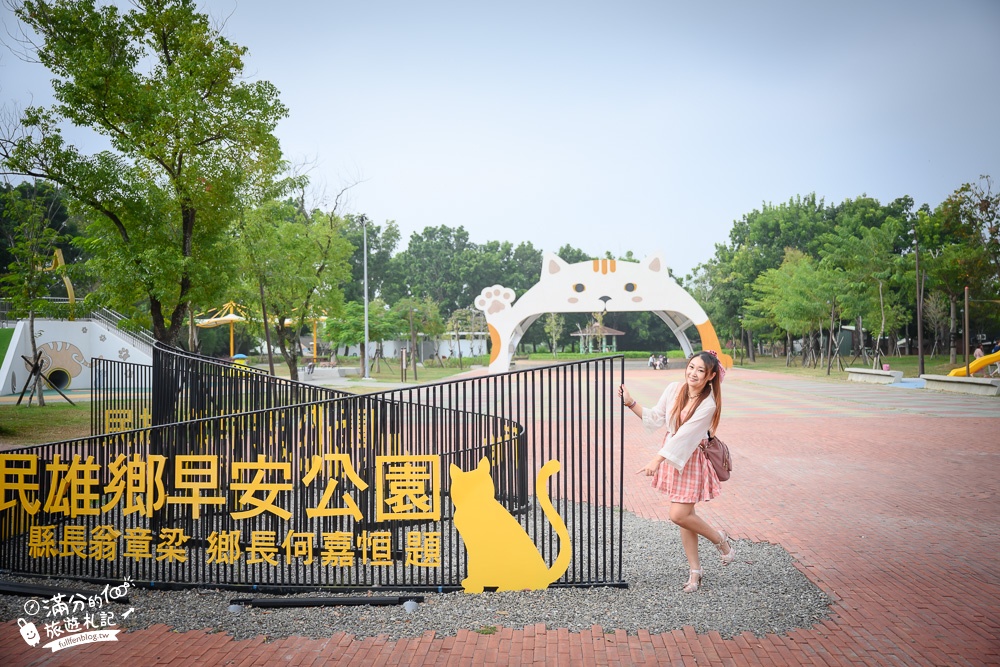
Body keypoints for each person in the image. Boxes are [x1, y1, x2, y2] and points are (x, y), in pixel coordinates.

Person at [619, 350, 735, 593]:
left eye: (700, 370)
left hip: (690, 459)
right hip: (673, 455)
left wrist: (656, 460)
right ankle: (695, 572)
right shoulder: (674, 389)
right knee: (685, 518)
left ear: (711, 376)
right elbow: (655, 417)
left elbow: (685, 437)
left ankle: (720, 540)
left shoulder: (708, 405)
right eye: (691, 367)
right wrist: (630, 402)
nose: (693, 373)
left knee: (678, 514)